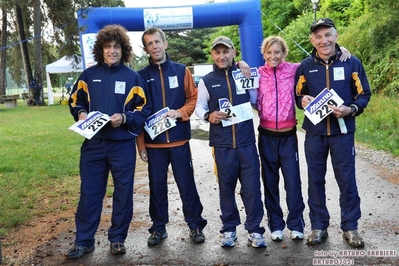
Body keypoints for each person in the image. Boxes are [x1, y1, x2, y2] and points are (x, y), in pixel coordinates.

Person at [66, 24, 152, 259]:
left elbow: (144, 110)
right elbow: (75, 100)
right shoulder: (89, 75)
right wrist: (81, 114)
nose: (112, 51)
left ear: (123, 49)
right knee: (90, 193)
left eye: (116, 46)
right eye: (107, 47)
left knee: (123, 193)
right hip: (93, 145)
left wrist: (124, 117)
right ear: (100, 50)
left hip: (122, 145)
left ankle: (117, 239)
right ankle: (84, 240)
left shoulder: (132, 77)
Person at [255, 36, 351, 242]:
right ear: (263, 54)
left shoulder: (295, 69)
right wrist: (240, 62)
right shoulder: (257, 74)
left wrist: (340, 48)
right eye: (269, 52)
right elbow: (236, 72)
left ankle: (296, 224)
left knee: (293, 181)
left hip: (289, 135)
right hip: (265, 135)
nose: (273, 56)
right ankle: (276, 225)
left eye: (277, 52)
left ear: (284, 53)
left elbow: (321, 57)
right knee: (270, 182)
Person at [295, 18, 371, 248]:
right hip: (315, 133)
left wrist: (350, 109)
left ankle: (350, 227)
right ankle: (319, 227)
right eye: (318, 36)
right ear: (312, 40)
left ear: (336, 35)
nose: (323, 40)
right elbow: (297, 95)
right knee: (315, 181)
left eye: (327, 34)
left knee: (347, 180)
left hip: (343, 132)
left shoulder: (351, 62)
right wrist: (303, 100)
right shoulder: (305, 66)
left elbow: (364, 95)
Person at [136, 27, 207, 246]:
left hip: (179, 141)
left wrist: (181, 112)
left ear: (165, 44)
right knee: (157, 187)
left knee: (186, 184)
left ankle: (195, 225)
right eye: (150, 44)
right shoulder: (140, 76)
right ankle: (158, 228)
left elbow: (193, 98)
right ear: (146, 48)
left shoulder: (181, 70)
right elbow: (136, 113)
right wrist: (141, 145)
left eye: (157, 42)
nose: (154, 46)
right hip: (154, 144)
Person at [195, 36, 266, 248]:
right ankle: (229, 229)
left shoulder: (245, 74)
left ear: (234, 53)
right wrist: (209, 116)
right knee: (226, 188)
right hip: (222, 145)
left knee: (252, 188)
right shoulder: (207, 81)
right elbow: (199, 107)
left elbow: (256, 100)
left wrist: (243, 66)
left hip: (246, 143)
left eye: (225, 51)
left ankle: (255, 230)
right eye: (217, 52)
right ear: (212, 55)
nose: (221, 55)